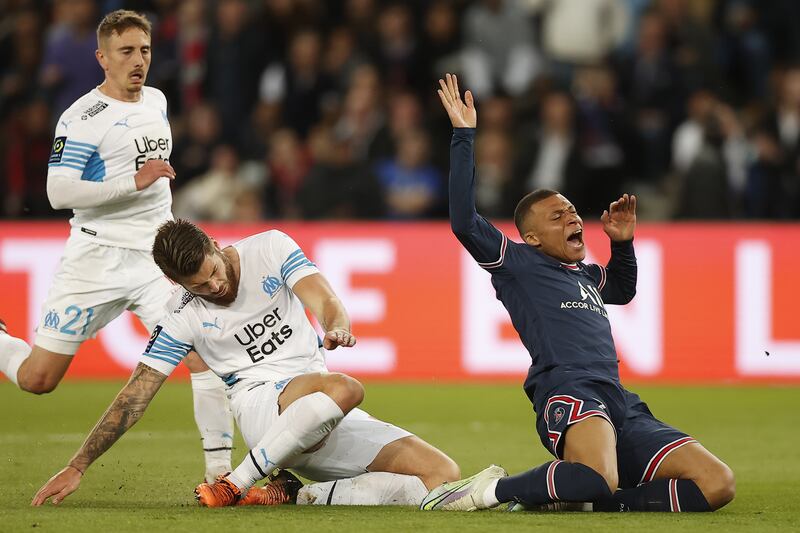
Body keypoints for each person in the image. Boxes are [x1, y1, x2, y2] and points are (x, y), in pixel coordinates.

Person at [421, 73, 735, 513]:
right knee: (593, 476)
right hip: (569, 390)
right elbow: (464, 223)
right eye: (557, 215)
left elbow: (622, 290)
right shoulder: (517, 262)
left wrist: (622, 244)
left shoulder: (585, 274)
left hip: (619, 400)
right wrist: (464, 136)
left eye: (571, 210)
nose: (572, 218)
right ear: (531, 236)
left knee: (717, 483)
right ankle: (489, 491)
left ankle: (599, 501)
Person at [32, 220, 460, 508]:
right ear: (175, 283)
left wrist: (337, 326)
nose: (215, 286)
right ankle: (235, 483)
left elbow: (326, 300)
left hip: (319, 409)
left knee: (441, 475)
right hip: (261, 408)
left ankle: (299, 496)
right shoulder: (180, 314)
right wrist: (78, 464)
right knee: (346, 387)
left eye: (213, 272)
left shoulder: (269, 248)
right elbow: (134, 397)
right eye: (199, 286)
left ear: (216, 246)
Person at [0, 10, 234, 484]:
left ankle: (219, 477)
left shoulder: (158, 101)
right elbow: (58, 193)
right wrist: (133, 181)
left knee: (204, 356)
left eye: (145, 50)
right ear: (102, 57)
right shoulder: (83, 117)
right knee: (37, 381)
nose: (138, 60)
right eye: (126, 51)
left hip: (156, 263)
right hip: (96, 259)